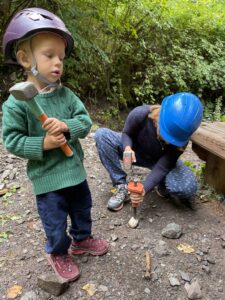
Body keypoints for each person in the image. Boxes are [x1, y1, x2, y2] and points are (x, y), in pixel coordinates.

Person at [2, 7, 108, 282]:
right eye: (49, 55)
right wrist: (45, 143)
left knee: (82, 207)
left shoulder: (67, 95)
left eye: (61, 57)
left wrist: (66, 126)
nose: (58, 62)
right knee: (55, 221)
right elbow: (11, 141)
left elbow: (85, 122)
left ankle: (82, 239)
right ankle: (58, 252)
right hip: (48, 180)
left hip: (75, 171)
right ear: (25, 58)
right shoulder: (18, 102)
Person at [95, 92, 203, 211]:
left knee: (188, 188)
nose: (167, 142)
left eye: (172, 140)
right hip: (135, 152)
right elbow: (127, 133)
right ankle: (121, 186)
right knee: (102, 135)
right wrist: (127, 147)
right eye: (165, 133)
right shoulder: (141, 113)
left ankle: (161, 184)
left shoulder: (181, 139)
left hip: (159, 161)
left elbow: (163, 167)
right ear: (160, 116)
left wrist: (144, 189)